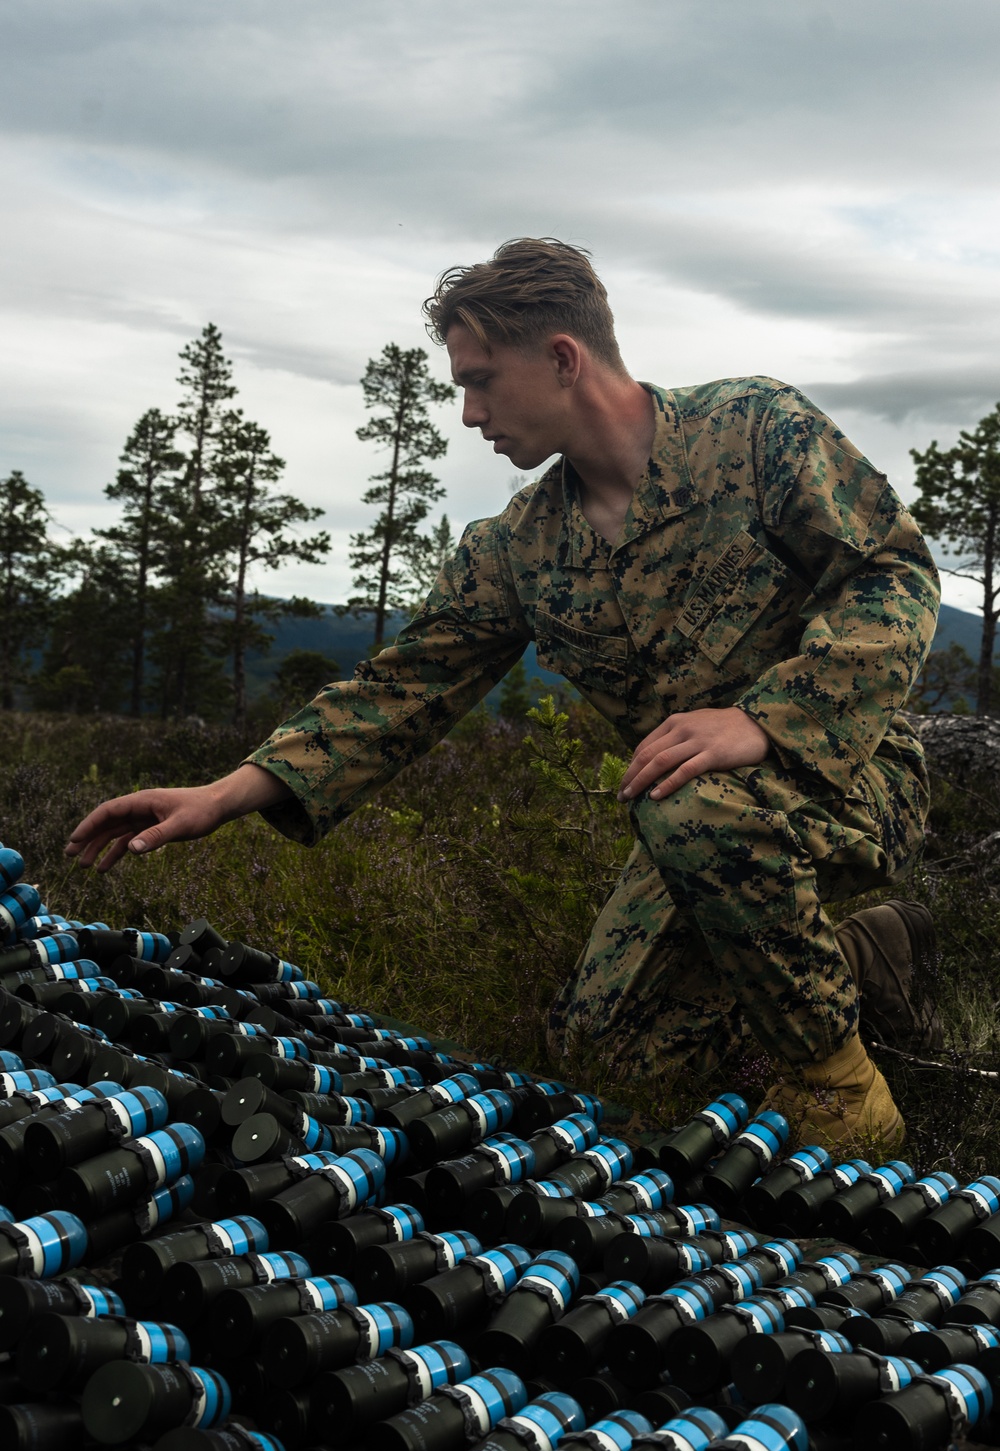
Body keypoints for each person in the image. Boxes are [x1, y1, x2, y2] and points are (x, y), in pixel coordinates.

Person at [65, 238, 941, 1148]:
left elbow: (891, 571)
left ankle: (838, 1086)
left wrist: (765, 721)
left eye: (480, 381)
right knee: (602, 1053)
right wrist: (225, 794)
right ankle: (859, 959)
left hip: (853, 779)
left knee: (695, 812)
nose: (470, 412)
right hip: (699, 823)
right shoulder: (522, 547)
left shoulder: (756, 431)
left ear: (562, 358)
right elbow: (397, 689)